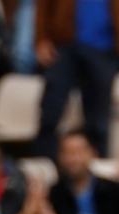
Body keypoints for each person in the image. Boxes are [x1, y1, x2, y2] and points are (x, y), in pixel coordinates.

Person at [34, 0, 119, 158]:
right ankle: (45, 167)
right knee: (50, 113)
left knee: (99, 122)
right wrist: (41, 38)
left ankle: (95, 174)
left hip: (105, 50)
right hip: (64, 45)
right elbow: (43, 4)